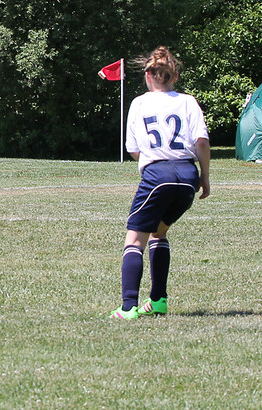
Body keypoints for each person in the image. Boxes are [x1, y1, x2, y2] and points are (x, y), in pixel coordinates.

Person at [111, 47, 211, 321]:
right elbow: (201, 141)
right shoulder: (188, 101)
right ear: (174, 76)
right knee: (159, 232)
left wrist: (154, 162)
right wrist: (205, 177)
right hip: (187, 176)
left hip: (158, 175)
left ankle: (128, 307)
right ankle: (158, 300)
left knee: (134, 240)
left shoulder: (140, 103)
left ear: (147, 75)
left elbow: (134, 149)